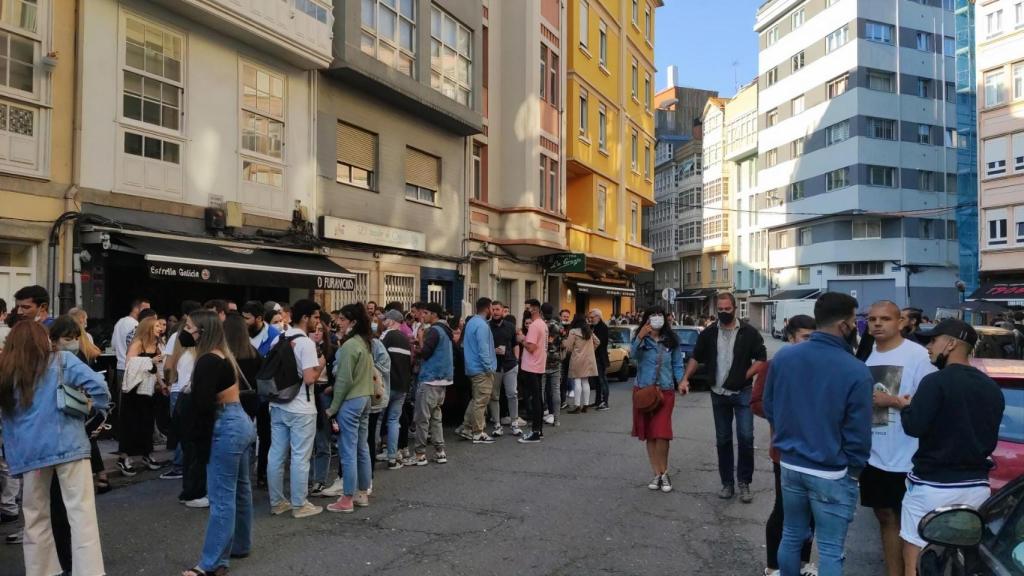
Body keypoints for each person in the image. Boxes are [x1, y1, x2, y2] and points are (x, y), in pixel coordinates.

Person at [764, 292, 873, 576]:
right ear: (844, 325)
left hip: (790, 462)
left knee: (791, 535)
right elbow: (858, 432)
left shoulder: (784, 357)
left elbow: (770, 405)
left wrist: (788, 437)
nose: (856, 328)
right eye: (854, 322)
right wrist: (854, 470)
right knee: (830, 548)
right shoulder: (856, 370)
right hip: (831, 470)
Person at [0, 320, 109, 576]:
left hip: (30, 454)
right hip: (69, 446)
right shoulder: (61, 361)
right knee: (81, 514)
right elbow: (99, 386)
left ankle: (42, 571)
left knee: (35, 518)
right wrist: (98, 408)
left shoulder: (6, 371)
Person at [896, 319, 1005, 575]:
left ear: (952, 343)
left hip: (932, 486)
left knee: (915, 551)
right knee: (961, 558)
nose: (928, 347)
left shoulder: (935, 382)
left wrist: (905, 407)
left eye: (933, 340)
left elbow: (914, 426)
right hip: (977, 488)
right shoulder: (992, 388)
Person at [861, 301, 936, 576]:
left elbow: (931, 401)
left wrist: (891, 400)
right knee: (884, 517)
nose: (877, 324)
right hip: (875, 453)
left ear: (900, 322)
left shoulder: (917, 355)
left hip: (909, 455)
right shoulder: (867, 355)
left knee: (912, 525)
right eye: (872, 319)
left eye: (885, 319)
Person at [180, 310, 256, 576]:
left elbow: (202, 406)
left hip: (225, 425)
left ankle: (211, 564)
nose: (185, 331)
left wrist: (197, 445)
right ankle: (240, 545)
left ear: (202, 330)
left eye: (189, 326)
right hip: (240, 422)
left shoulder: (207, 361)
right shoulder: (224, 356)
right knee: (240, 489)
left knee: (221, 498)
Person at [684, 292, 766, 502]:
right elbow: (696, 357)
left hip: (742, 393)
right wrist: (685, 378)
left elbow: (761, 359)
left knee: (746, 438)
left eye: (727, 309)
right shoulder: (709, 333)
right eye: (720, 310)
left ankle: (744, 483)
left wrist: (743, 376)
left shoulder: (748, 332)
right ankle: (727, 483)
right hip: (718, 393)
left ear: (735, 309)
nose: (723, 313)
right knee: (723, 439)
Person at [751, 315, 817, 576]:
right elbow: (756, 402)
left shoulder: (820, 365)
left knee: (811, 512)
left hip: (816, 451)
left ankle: (802, 564)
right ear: (791, 338)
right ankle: (773, 566)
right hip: (785, 451)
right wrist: (786, 417)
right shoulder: (775, 365)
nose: (810, 343)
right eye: (805, 337)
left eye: (814, 337)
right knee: (784, 509)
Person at [267, 299, 326, 519]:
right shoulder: (306, 343)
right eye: (316, 317)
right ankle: (299, 504)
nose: (317, 322)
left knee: (276, 454)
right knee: (300, 456)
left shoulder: (279, 339)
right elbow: (310, 378)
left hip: (278, 403)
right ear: (306, 317)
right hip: (301, 406)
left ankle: (277, 502)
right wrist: (320, 364)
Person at [323, 303, 375, 513]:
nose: (339, 323)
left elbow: (343, 380)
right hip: (365, 398)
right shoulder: (365, 342)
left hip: (351, 401)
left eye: (343, 320)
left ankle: (346, 498)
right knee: (362, 448)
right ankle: (362, 492)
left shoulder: (349, 346)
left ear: (352, 322)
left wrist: (332, 408)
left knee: (348, 450)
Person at [632, 306, 684, 492]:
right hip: (644, 391)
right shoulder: (641, 338)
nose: (656, 318)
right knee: (649, 434)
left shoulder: (671, 341)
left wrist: (682, 382)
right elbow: (633, 357)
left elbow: (677, 364)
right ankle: (657, 473)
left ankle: (664, 472)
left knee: (662, 433)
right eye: (652, 315)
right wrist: (640, 337)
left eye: (659, 315)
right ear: (646, 319)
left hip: (665, 391)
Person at [118, 315, 167, 476]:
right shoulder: (138, 343)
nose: (160, 328)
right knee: (131, 423)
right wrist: (149, 362)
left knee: (147, 422)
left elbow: (158, 368)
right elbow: (129, 365)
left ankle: (147, 453)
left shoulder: (157, 345)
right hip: (134, 390)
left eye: (160, 326)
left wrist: (162, 383)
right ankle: (124, 456)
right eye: (156, 326)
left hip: (149, 388)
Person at [407, 303, 453, 465]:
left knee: (422, 418)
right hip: (443, 379)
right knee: (435, 417)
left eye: (426, 313)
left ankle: (419, 454)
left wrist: (419, 341)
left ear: (434, 314)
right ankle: (440, 451)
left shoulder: (434, 330)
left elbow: (425, 352)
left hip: (430, 378)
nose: (423, 315)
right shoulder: (446, 330)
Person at [457, 298, 497, 444]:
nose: (493, 311)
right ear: (487, 308)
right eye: (492, 308)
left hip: (472, 367)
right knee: (481, 401)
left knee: (476, 399)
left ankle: (466, 428)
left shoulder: (471, 322)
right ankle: (478, 432)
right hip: (481, 369)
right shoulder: (482, 325)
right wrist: (489, 368)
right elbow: (483, 349)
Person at [379, 310, 412, 468]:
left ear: (391, 321)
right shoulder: (406, 339)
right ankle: (392, 457)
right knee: (394, 421)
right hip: (402, 386)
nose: (383, 322)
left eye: (385, 320)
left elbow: (376, 355)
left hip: (387, 385)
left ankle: (370, 455)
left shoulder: (387, 335)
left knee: (378, 420)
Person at [488, 301, 520, 437]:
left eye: (498, 309)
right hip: (494, 365)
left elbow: (516, 344)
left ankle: (514, 423)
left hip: (510, 365)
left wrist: (517, 360)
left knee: (512, 394)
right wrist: (492, 350)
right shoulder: (486, 327)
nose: (495, 312)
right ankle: (497, 425)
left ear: (503, 311)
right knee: (494, 396)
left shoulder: (511, 326)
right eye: (493, 309)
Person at [518, 299, 548, 444]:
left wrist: (522, 339)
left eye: (528, 308)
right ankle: (539, 430)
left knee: (535, 399)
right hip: (539, 364)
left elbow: (531, 347)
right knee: (538, 398)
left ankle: (535, 431)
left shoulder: (535, 326)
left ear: (535, 309)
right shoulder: (543, 324)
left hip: (531, 366)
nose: (527, 311)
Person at [565, 315, 599, 414]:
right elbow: (597, 342)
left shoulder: (573, 332)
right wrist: (590, 351)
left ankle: (577, 406)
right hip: (588, 359)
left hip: (577, 359)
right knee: (585, 381)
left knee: (577, 381)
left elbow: (568, 347)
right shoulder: (589, 331)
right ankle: (586, 405)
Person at [589, 309, 611, 411]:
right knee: (597, 381)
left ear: (598, 316)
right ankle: (598, 401)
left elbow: (599, 343)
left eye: (592, 317)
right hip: (596, 357)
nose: (591, 319)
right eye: (590, 317)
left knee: (602, 380)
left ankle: (605, 402)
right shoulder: (595, 327)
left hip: (600, 357)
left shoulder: (603, 327)